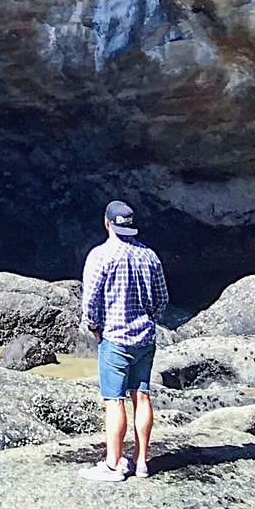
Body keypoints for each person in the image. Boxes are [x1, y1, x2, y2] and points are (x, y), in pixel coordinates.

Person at [79, 198, 168, 482]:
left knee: (114, 401)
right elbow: (161, 300)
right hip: (145, 338)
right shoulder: (150, 257)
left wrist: (93, 325)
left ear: (107, 223)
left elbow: (91, 299)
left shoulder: (101, 256)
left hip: (115, 339)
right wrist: (148, 318)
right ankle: (141, 462)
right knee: (141, 396)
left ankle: (113, 465)